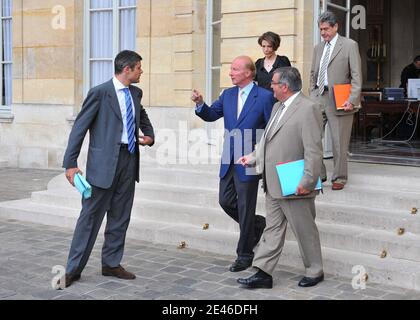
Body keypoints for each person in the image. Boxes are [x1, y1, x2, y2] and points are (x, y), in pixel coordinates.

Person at [60, 50, 155, 288]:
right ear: (127, 69)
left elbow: (141, 114)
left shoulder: (136, 92)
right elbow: (79, 128)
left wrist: (150, 135)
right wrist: (70, 163)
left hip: (129, 160)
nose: (141, 71)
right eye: (139, 68)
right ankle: (73, 269)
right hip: (102, 166)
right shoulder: (100, 93)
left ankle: (111, 263)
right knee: (90, 218)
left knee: (120, 216)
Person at [237, 67, 324, 289]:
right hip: (273, 181)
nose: (270, 87)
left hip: (294, 182)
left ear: (284, 86)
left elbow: (313, 149)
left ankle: (315, 271)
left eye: (273, 84)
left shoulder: (308, 108)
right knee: (272, 229)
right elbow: (268, 139)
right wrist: (254, 157)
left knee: (304, 229)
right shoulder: (277, 106)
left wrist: (307, 181)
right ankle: (263, 272)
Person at [191, 56, 275, 273]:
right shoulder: (227, 94)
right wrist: (200, 103)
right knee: (225, 200)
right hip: (228, 158)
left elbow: (271, 129)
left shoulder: (265, 96)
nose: (230, 73)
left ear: (248, 73)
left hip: (249, 159)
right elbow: (211, 115)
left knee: (246, 207)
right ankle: (257, 225)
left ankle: (245, 254)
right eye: (231, 69)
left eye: (235, 69)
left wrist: (259, 151)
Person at [309, 11, 362, 191]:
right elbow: (312, 74)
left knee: (339, 142)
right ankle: (320, 173)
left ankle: (339, 177)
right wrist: (312, 92)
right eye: (321, 29)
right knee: (312, 138)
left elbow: (356, 75)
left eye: (326, 29)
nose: (323, 32)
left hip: (340, 99)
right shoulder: (318, 48)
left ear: (335, 27)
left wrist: (352, 99)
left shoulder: (349, 45)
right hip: (318, 98)